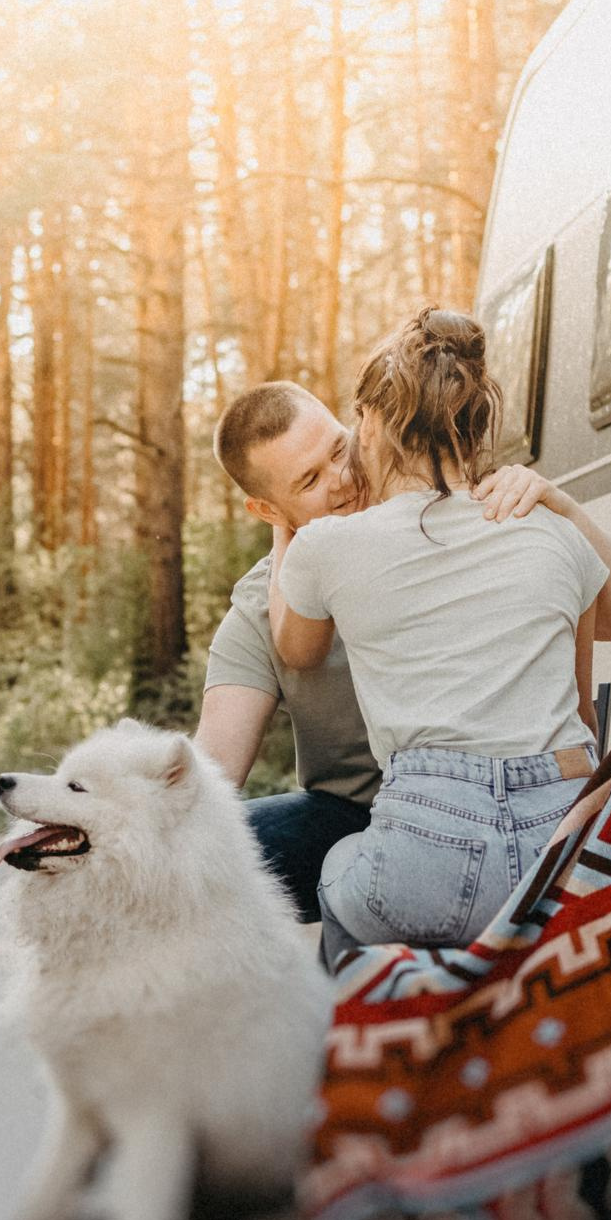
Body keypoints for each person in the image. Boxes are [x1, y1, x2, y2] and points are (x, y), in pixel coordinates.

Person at [271, 307, 611, 966]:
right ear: (474, 425)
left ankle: (378, 1036)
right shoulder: (550, 533)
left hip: (427, 842)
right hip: (565, 847)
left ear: (374, 423)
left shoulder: (326, 546)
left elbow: (294, 646)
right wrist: (559, 502)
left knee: (340, 869)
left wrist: (285, 528)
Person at [194, 382, 380, 923]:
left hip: (470, 795)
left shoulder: (422, 517)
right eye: (310, 480)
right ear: (267, 509)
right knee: (183, 864)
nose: (343, 480)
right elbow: (214, 770)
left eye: (339, 450)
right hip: (351, 816)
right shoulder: (257, 609)